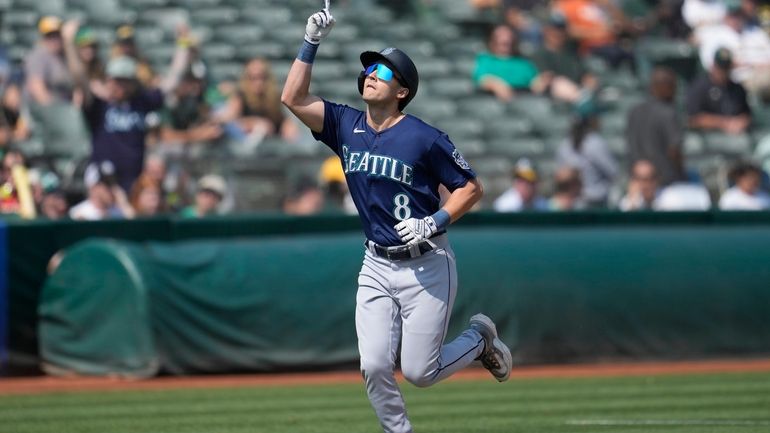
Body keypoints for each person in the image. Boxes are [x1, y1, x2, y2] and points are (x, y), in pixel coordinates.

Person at [281, 6, 512, 433]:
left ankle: (479, 340)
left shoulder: (425, 138)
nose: (371, 74)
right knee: (372, 364)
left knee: (421, 372)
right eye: (369, 68)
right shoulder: (346, 125)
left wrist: (436, 219)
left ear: (402, 90)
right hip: (376, 264)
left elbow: (472, 188)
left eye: (383, 72)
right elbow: (292, 98)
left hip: (426, 263)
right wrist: (310, 43)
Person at [65, 21, 191, 192]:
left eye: (125, 81)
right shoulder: (99, 104)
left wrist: (183, 44)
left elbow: (173, 79)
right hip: (103, 183)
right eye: (116, 80)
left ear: (133, 83)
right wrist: (69, 43)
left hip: (134, 181)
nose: (119, 86)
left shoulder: (141, 101)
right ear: (108, 80)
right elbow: (79, 77)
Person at [215, 58, 299, 145]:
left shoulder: (274, 97)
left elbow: (283, 121)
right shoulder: (240, 96)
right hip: (246, 142)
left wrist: (288, 126)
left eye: (262, 77)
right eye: (253, 78)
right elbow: (230, 122)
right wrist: (252, 123)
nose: (258, 82)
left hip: (271, 143)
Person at [626, 67, 685, 187]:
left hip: (638, 181)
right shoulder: (668, 113)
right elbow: (674, 151)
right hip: (664, 182)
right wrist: (682, 173)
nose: (675, 89)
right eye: (671, 85)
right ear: (661, 86)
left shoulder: (635, 111)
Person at [556, 103, 618, 207]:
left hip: (572, 202)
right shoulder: (595, 142)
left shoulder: (564, 144)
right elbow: (613, 172)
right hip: (596, 202)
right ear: (591, 120)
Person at [529, 12, 599, 103]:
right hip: (554, 100)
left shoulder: (571, 51)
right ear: (546, 31)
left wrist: (589, 82)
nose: (559, 33)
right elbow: (545, 80)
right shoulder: (539, 54)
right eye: (554, 29)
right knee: (559, 83)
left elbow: (585, 74)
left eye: (562, 29)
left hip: (580, 93)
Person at [686, 47, 752, 135]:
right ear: (713, 65)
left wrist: (741, 122)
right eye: (720, 68)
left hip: (735, 138)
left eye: (726, 68)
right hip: (706, 138)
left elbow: (747, 114)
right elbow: (693, 118)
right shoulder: (699, 86)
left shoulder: (737, 88)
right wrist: (723, 123)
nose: (723, 72)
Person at [472, 24, 542, 102]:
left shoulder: (523, 63)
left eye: (508, 36)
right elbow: (482, 79)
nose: (506, 39)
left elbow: (535, 82)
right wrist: (496, 85)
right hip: (494, 101)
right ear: (492, 41)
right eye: (501, 36)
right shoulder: (485, 60)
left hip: (523, 100)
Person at [69, 161, 134, 220]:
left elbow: (134, 227)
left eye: (113, 182)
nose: (112, 188)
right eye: (107, 183)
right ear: (93, 187)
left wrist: (124, 204)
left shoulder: (120, 212)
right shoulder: (78, 213)